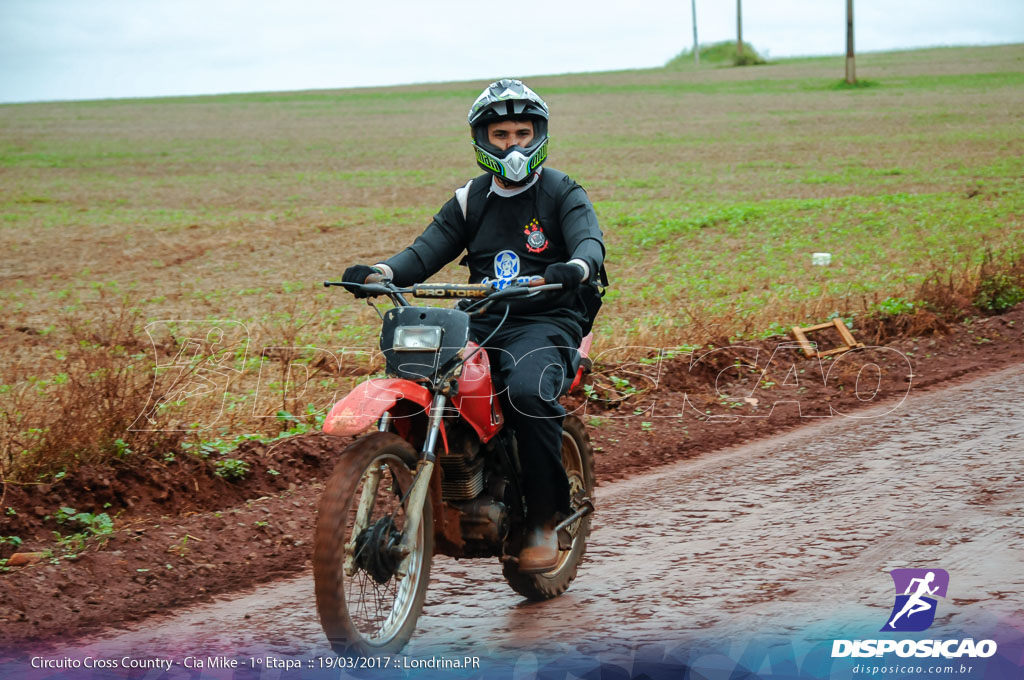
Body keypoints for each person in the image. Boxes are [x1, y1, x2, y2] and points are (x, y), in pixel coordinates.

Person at [342, 78, 606, 573]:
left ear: (539, 135)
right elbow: (424, 252)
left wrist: (574, 269)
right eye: (501, 134)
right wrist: (381, 274)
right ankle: (449, 485)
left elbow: (589, 244)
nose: (514, 145)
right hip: (483, 317)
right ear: (483, 140)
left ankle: (546, 520)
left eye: (523, 133)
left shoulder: (562, 191)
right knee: (426, 373)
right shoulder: (471, 199)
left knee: (527, 392)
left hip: (548, 317)